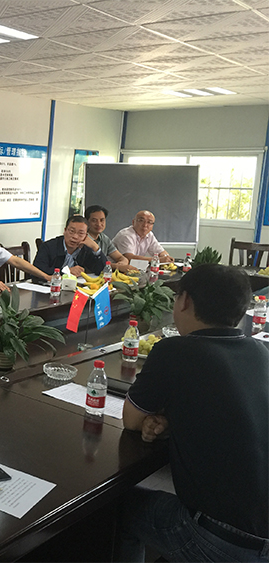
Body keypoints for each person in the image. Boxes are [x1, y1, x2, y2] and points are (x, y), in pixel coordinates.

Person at [117, 264, 269, 562]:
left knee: (120, 509)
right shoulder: (262, 352)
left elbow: (132, 420)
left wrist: (160, 418)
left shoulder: (175, 350)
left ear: (184, 300)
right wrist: (172, 418)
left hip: (224, 540)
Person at [33, 216, 107, 278]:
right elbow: (37, 271)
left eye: (81, 233)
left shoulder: (85, 249)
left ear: (86, 236)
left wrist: (96, 248)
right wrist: (66, 271)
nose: (75, 236)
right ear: (65, 231)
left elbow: (104, 271)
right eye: (71, 231)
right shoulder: (48, 247)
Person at [82, 204, 137, 273]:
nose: (99, 224)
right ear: (87, 222)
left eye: (102, 220)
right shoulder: (83, 239)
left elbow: (121, 258)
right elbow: (93, 265)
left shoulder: (104, 238)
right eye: (94, 220)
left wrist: (122, 263)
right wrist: (117, 266)